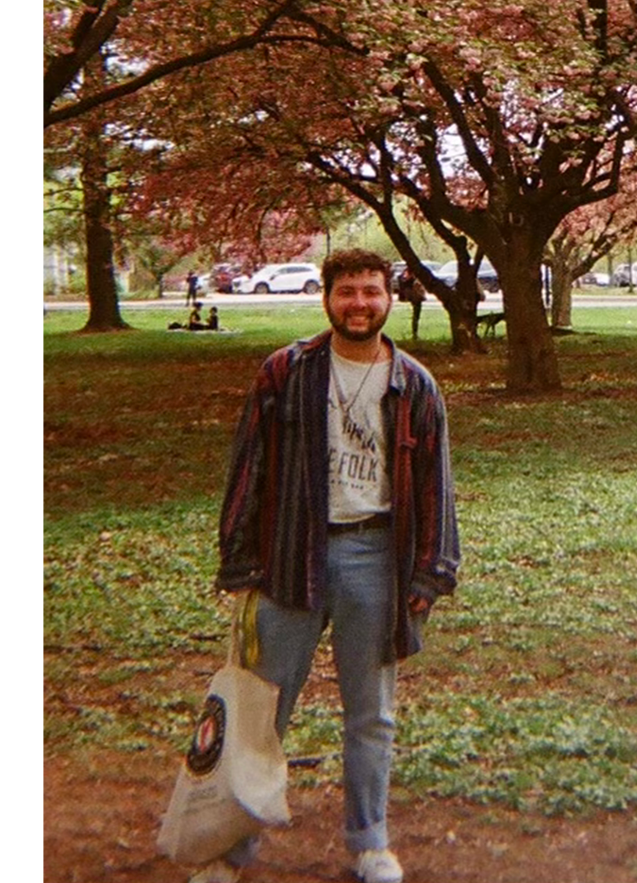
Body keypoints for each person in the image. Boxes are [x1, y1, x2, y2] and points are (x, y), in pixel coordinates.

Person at [191, 250, 460, 883]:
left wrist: (429, 574)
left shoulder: (413, 383)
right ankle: (231, 851)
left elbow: (435, 485)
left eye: (371, 292)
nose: (359, 304)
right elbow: (248, 469)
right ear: (327, 298)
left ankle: (370, 844)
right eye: (347, 292)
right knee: (262, 711)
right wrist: (239, 563)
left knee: (371, 714)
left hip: (375, 559)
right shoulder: (286, 373)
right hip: (290, 558)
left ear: (388, 298)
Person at [396, 267, 426, 341]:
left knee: (416, 316)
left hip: (415, 297)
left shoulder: (409, 275)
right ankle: (414, 333)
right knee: (416, 316)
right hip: (415, 297)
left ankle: (415, 333)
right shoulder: (410, 277)